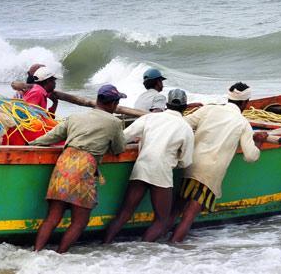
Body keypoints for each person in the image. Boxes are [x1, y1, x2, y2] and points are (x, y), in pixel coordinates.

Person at [159, 82, 268, 243]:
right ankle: (171, 249)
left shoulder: (208, 109)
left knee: (176, 209)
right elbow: (251, 156)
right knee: (189, 216)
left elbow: (183, 123)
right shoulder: (242, 123)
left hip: (190, 164)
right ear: (245, 103)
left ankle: (155, 248)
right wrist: (259, 142)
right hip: (210, 173)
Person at [30, 84, 127, 253]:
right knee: (80, 221)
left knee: (53, 217)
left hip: (64, 162)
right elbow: (119, 149)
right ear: (113, 104)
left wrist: (30, 145)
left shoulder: (74, 117)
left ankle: (36, 252)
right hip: (84, 167)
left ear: (98, 100)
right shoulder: (115, 122)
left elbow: (50, 137)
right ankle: (60, 255)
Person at [104, 89, 194, 244]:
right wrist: (174, 162)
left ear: (167, 105)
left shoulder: (150, 118)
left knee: (124, 214)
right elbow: (186, 161)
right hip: (162, 172)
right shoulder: (185, 128)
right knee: (162, 220)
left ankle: (104, 244)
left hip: (141, 167)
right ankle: (143, 251)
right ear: (185, 107)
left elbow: (124, 137)